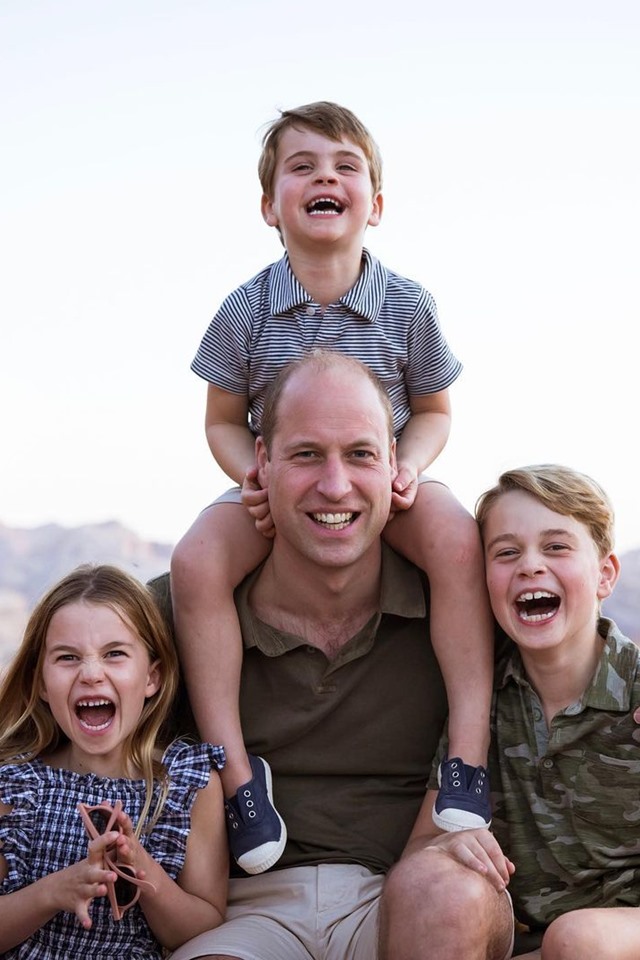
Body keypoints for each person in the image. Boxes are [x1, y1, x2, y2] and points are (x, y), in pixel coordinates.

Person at [170, 100, 494, 874]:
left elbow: (436, 409)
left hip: (384, 481)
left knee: (455, 536)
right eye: (303, 167)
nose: (326, 177)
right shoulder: (246, 308)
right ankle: (239, 779)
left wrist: (408, 464)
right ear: (269, 205)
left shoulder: (407, 305)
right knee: (194, 562)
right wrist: (246, 473)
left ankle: (469, 757)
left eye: (346, 166)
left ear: (375, 205)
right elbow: (219, 419)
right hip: (281, 485)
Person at [151, 350, 449, 959]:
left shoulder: (455, 602)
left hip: (403, 897)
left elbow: (575, 655)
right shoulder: (174, 613)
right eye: (307, 454)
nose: (335, 486)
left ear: (396, 461)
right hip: (241, 913)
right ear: (261, 462)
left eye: (361, 454)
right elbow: (53, 704)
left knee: (456, 901)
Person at [380, 464, 640, 960]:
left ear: (604, 574)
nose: (530, 566)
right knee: (431, 880)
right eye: (506, 552)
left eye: (557, 546)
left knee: (579, 941)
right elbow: (419, 854)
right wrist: (447, 848)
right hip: (515, 940)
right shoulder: (484, 697)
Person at [0, 564, 229, 960]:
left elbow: (200, 928)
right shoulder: (15, 783)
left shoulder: (187, 785)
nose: (91, 674)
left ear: (151, 678)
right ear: (39, 682)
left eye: (115, 654)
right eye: (68, 657)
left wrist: (138, 865)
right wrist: (55, 891)